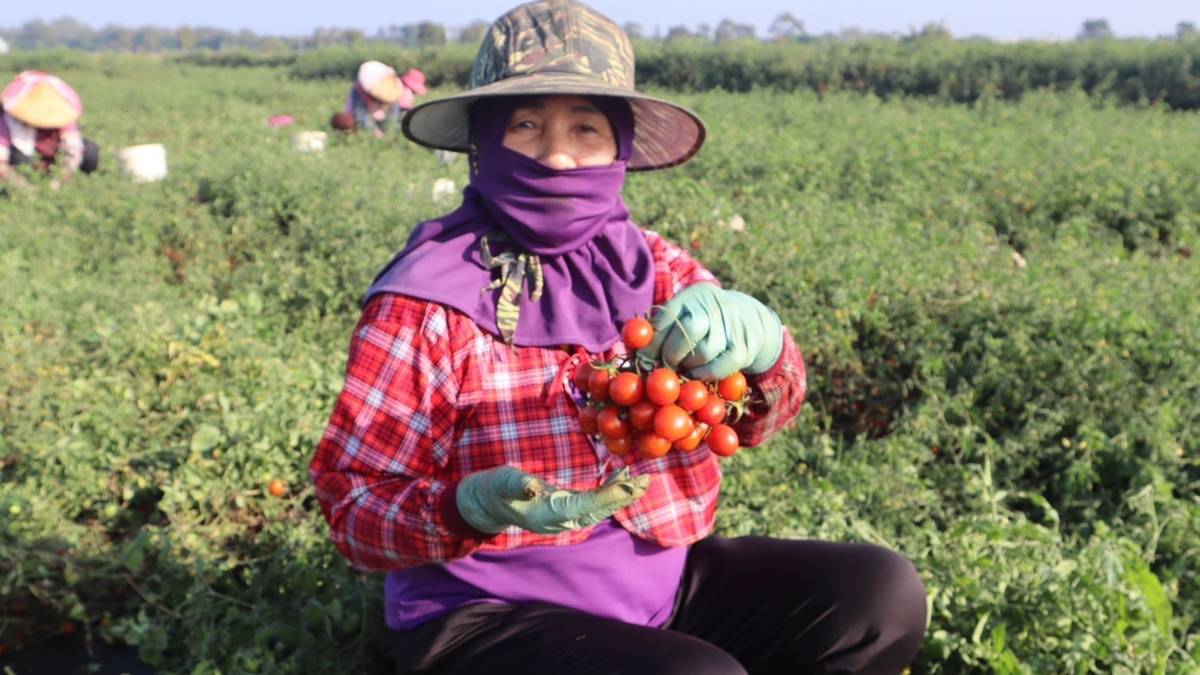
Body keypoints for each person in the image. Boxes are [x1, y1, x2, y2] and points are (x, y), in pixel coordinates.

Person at [309, 2, 927, 673]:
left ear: (620, 147)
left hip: (660, 588)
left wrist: (769, 348)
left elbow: (756, 420)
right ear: (484, 139)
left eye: (586, 127)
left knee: (878, 595)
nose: (558, 153)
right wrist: (466, 507)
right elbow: (353, 508)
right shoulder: (425, 298)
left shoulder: (658, 269)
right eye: (525, 124)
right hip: (483, 615)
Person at [0, 71, 99, 191]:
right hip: (23, 162)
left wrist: (60, 180)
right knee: (20, 160)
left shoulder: (61, 115)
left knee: (90, 151)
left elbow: (73, 150)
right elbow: (1, 164)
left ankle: (79, 186)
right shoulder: (8, 120)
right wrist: (24, 188)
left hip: (52, 162)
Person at [334, 61, 427, 138]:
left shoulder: (393, 90)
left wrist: (388, 131)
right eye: (412, 91)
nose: (412, 96)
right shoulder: (361, 92)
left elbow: (393, 118)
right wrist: (375, 131)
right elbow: (361, 115)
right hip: (360, 123)